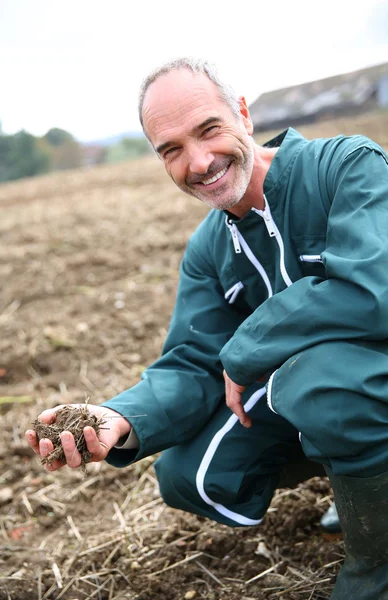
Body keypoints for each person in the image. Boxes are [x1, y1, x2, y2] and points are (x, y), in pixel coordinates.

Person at [26, 58, 388, 599]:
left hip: (361, 375)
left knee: (312, 382)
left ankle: (375, 570)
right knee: (192, 473)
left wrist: (245, 348)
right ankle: (360, 482)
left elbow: (373, 291)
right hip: (337, 398)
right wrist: (120, 417)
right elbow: (194, 360)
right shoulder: (208, 249)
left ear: (242, 113)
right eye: (171, 150)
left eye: (208, 129)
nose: (198, 161)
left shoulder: (346, 165)